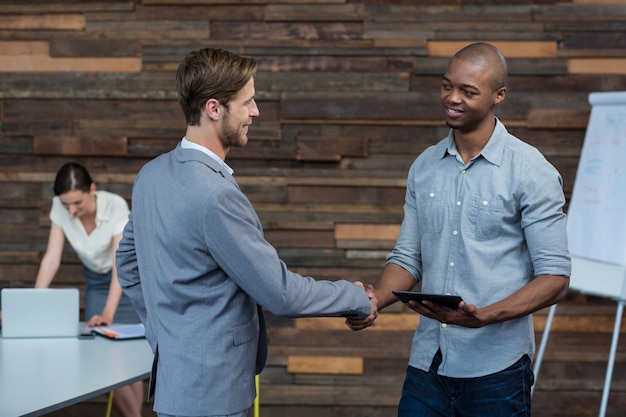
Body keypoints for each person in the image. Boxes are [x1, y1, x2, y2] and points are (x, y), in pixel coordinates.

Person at [115, 47, 377, 417]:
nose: (256, 112)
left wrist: (165, 333)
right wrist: (355, 297)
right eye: (248, 102)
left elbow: (127, 264)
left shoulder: (151, 176)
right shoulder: (216, 195)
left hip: (174, 391)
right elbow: (280, 293)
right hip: (214, 398)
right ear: (213, 109)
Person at [346, 42, 571, 416]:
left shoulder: (531, 171)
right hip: (427, 364)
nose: (452, 98)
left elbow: (556, 278)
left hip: (497, 371)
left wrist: (485, 315)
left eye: (468, 91)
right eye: (447, 86)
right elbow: (408, 257)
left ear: (499, 95)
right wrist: (372, 302)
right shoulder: (425, 166)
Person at [34, 162, 144, 417]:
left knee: (127, 357)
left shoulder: (115, 205)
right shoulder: (60, 209)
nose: (71, 211)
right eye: (65, 205)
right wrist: (35, 301)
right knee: (105, 356)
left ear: (92, 189)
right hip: (96, 283)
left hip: (127, 280)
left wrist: (108, 313)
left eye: (78, 204)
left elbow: (121, 262)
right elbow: (52, 259)